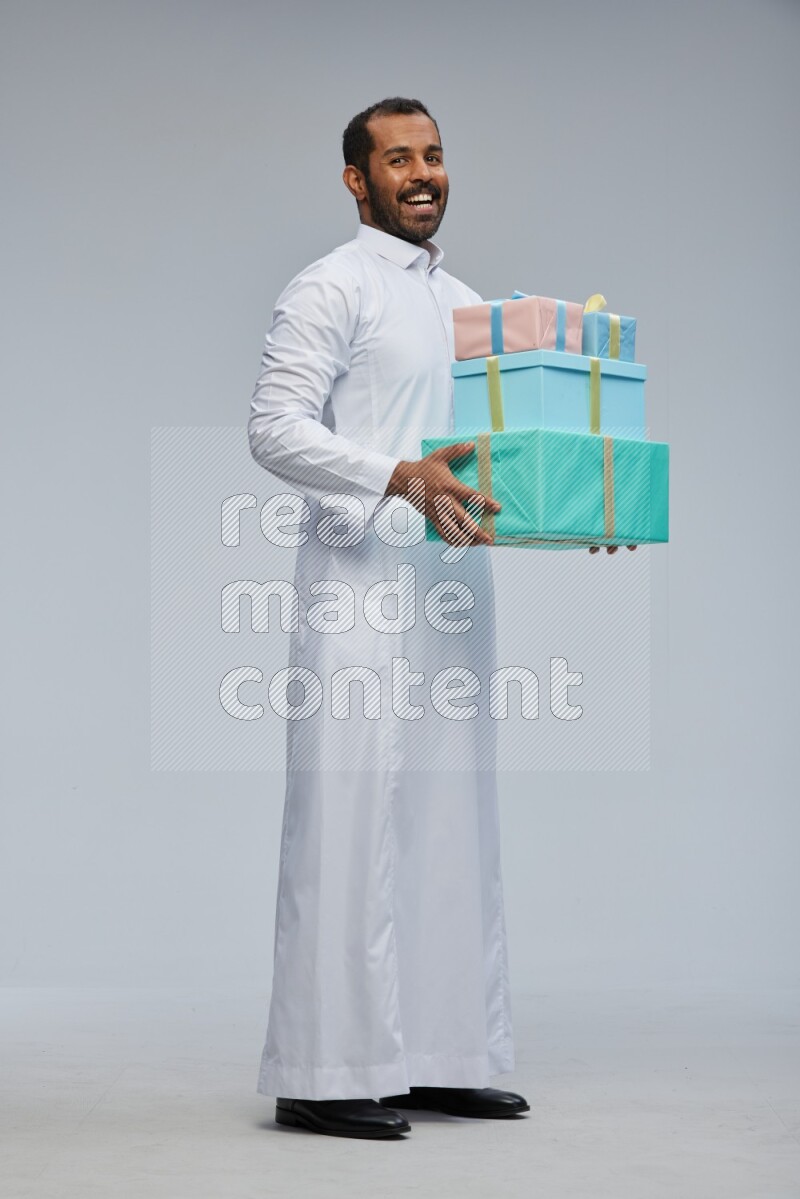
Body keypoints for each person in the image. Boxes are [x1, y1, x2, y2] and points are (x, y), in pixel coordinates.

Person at [247, 97, 529, 1139]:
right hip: (358, 583)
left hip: (451, 586)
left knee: (452, 815)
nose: (421, 174)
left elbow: (488, 456)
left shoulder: (466, 304)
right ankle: (322, 1069)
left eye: (434, 155)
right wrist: (395, 476)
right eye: (398, 158)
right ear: (356, 180)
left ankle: (443, 1054)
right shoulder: (331, 285)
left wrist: (583, 515)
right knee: (349, 817)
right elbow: (273, 426)